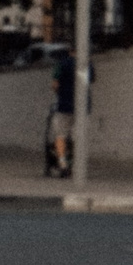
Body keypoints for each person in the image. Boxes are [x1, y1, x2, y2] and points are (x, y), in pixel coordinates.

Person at [47, 47, 76, 177]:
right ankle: (75, 163)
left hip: (64, 105)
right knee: (75, 135)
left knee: (60, 135)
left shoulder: (61, 65)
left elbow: (55, 85)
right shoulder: (86, 64)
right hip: (81, 106)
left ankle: (63, 164)